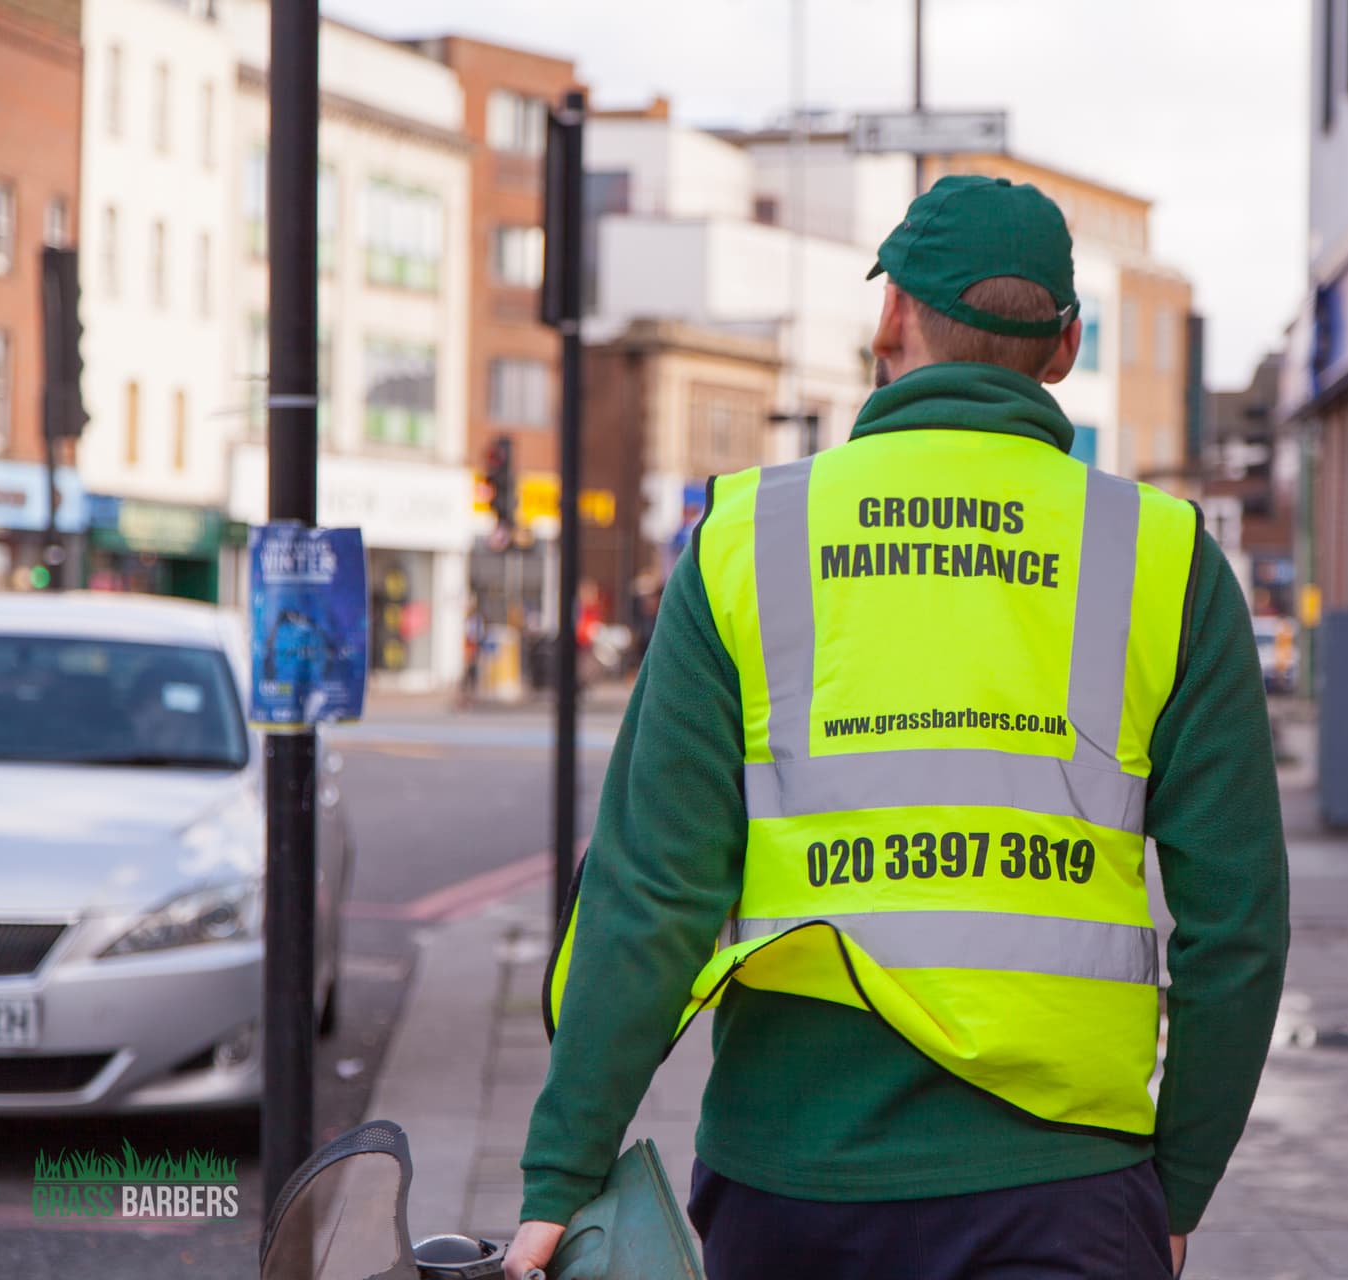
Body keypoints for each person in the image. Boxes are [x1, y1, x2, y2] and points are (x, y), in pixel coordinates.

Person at [505, 174, 1289, 1280]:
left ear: (888, 319)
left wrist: (561, 1170)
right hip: (1068, 1192)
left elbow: (651, 887)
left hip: (798, 1182)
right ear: (1063, 348)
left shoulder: (748, 539)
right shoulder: (1164, 557)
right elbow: (1239, 919)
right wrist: (1184, 1176)